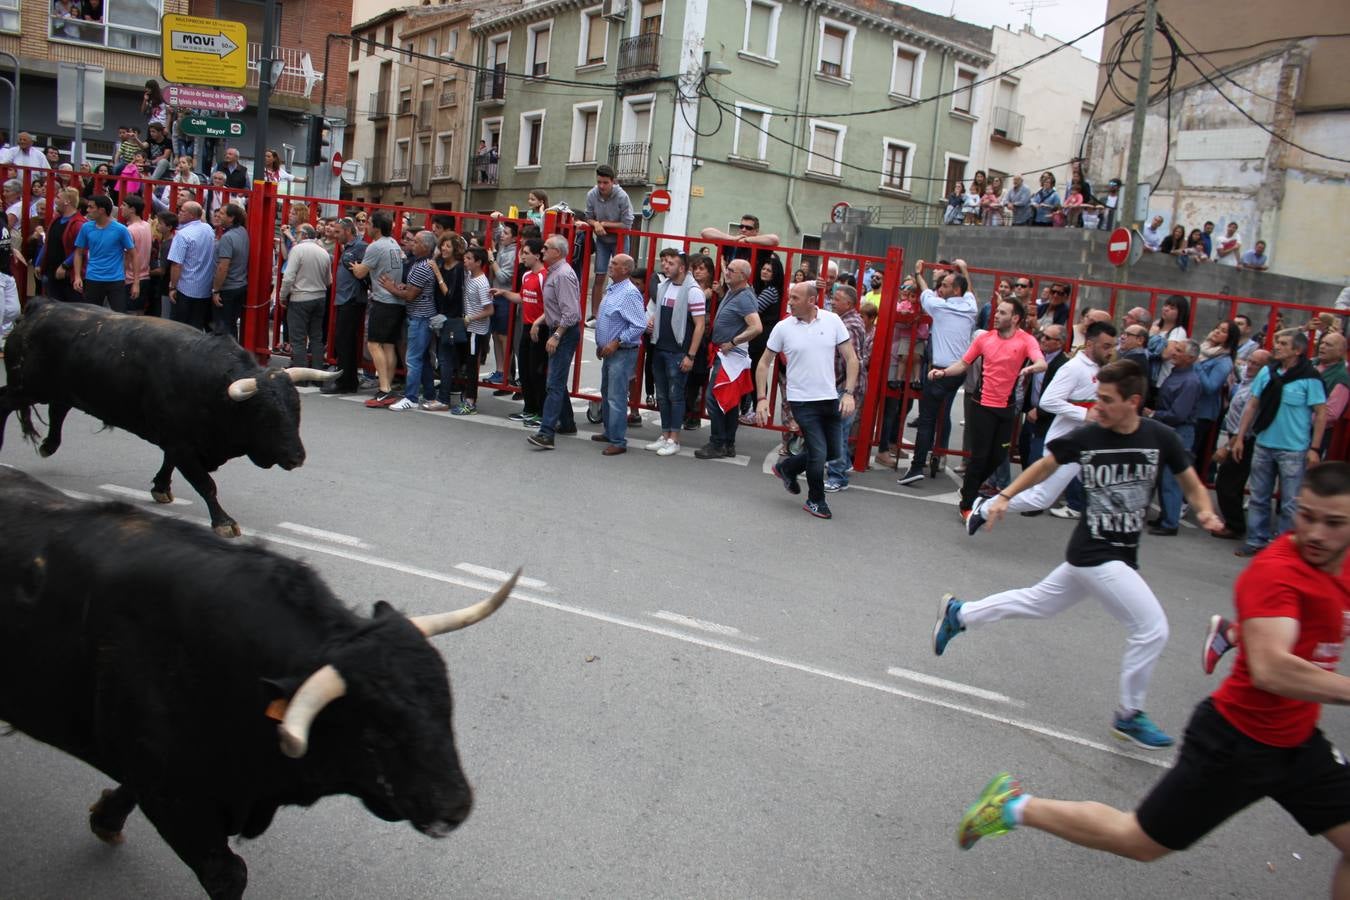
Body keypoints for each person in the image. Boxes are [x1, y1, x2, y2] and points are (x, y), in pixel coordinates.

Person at [956, 463, 1350, 896]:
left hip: (1299, 742)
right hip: (1236, 743)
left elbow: (1187, 474)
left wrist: (1202, 506)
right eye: (1306, 516)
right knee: (1137, 840)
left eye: (1333, 523)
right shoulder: (1278, 572)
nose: (1315, 533)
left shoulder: (1342, 567)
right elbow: (1272, 669)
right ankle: (1013, 807)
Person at [945, 360, 1224, 748]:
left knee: (1036, 603)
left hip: (1118, 553)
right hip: (1096, 551)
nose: (1098, 406)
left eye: (1107, 400)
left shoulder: (1161, 437)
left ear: (1134, 402)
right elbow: (1044, 467)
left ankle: (962, 613)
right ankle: (1129, 715)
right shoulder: (1089, 436)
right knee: (1152, 629)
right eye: (1097, 397)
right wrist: (1005, 497)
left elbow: (1190, 483)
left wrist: (1205, 510)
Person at [755, 280, 860, 520]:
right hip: (801, 401)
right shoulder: (783, 327)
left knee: (832, 451)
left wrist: (849, 393)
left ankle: (787, 468)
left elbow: (852, 359)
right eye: (789, 297)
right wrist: (762, 399)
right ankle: (816, 500)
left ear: (812, 301)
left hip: (829, 397)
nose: (789, 302)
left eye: (795, 298)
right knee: (819, 452)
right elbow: (763, 363)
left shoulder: (832, 321)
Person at [936, 297, 1045, 517]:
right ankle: (966, 505)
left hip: (1007, 407)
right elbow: (963, 363)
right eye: (997, 312)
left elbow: (1041, 361)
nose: (996, 315)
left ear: (1015, 318)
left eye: (1003, 313)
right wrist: (944, 372)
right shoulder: (985, 339)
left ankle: (969, 488)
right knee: (980, 456)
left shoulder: (1026, 340)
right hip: (982, 405)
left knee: (997, 457)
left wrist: (1031, 369)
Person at [1232, 329, 1328, 557]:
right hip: (1264, 442)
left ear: (1297, 350)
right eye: (1277, 342)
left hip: (1294, 449)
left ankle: (1285, 547)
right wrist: (1239, 436)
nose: (1277, 346)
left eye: (1283, 343)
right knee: (1258, 496)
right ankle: (1256, 540)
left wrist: (1314, 448)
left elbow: (1321, 414)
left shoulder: (1310, 378)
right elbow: (1253, 405)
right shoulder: (1268, 372)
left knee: (1290, 502)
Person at [897, 259, 978, 485]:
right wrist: (964, 269)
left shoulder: (938, 306)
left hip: (941, 371)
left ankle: (917, 467)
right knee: (944, 413)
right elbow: (970, 290)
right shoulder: (970, 306)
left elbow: (924, 290)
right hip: (959, 371)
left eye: (946, 284)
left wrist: (918, 273)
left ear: (956, 290)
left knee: (928, 420)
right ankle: (938, 456)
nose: (941, 288)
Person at [697, 258, 761, 460]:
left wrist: (733, 342)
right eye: (728, 269)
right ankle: (727, 443)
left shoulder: (745, 297)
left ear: (743, 276)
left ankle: (718, 443)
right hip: (725, 354)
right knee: (729, 401)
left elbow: (756, 327)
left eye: (731, 270)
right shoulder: (735, 292)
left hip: (730, 356)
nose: (727, 272)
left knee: (715, 398)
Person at [644, 248, 705, 457]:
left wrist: (690, 355)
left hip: (679, 352)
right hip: (660, 347)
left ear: (682, 267)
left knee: (675, 396)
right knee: (662, 395)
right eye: (664, 262)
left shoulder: (693, 291)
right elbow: (656, 314)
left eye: (670, 263)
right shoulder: (663, 287)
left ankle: (674, 439)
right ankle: (665, 434)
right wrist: (652, 323)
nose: (665, 266)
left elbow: (699, 326)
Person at [526, 234, 582, 450]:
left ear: (557, 252)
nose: (542, 251)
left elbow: (571, 313)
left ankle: (546, 433)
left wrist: (557, 336)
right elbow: (555, 307)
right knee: (556, 380)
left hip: (564, 333)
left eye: (546, 248)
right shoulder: (555, 272)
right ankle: (567, 423)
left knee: (554, 384)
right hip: (557, 329)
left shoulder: (563, 275)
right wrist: (541, 323)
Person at [1211, 349, 1272, 541]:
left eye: (1257, 364)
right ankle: (1233, 523)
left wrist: (1229, 446)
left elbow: (1250, 419)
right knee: (1231, 482)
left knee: (1227, 482)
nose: (1251, 366)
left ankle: (1235, 525)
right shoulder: (1246, 381)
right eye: (1250, 362)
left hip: (1243, 439)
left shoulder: (1259, 387)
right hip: (1236, 435)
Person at [378, 232, 443, 411]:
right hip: (422, 316)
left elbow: (411, 295)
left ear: (426, 247)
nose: (412, 244)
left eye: (416, 242)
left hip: (420, 318)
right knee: (421, 358)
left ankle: (411, 397)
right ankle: (429, 394)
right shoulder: (420, 263)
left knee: (413, 359)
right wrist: (404, 286)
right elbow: (415, 289)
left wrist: (392, 288)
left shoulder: (422, 266)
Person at [592, 253, 648, 455]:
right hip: (610, 352)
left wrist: (616, 342)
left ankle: (618, 440)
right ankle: (609, 432)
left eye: (614, 264)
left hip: (622, 352)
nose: (610, 265)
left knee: (616, 396)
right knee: (607, 393)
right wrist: (602, 343)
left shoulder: (630, 293)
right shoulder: (614, 288)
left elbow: (639, 325)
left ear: (625, 269)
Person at [1147, 339, 1202, 536]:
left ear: (1190, 358)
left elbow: (1178, 414)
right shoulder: (1178, 374)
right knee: (1163, 476)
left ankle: (1170, 522)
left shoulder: (1190, 381)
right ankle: (1165, 517)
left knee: (1171, 478)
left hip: (1179, 432)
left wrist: (1154, 414)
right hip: (1169, 429)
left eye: (1179, 351)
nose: (1174, 353)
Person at [351, 212, 404, 407]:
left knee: (374, 344)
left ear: (377, 227)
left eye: (369, 223)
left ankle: (384, 389)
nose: (366, 227)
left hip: (383, 299)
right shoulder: (394, 244)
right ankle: (387, 385)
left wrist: (356, 265)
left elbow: (360, 272)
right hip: (397, 301)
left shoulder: (375, 246)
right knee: (388, 345)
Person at [494, 237, 547, 424]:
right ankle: (529, 409)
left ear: (538, 255)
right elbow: (522, 298)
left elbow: (550, 305)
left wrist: (538, 324)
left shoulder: (544, 276)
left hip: (540, 330)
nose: (521, 257)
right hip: (526, 327)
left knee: (537, 372)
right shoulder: (526, 275)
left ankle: (540, 413)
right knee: (524, 371)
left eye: (525, 253)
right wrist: (504, 293)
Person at [582, 164, 633, 323]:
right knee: (599, 276)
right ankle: (595, 314)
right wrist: (595, 224)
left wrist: (603, 224)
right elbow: (588, 217)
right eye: (599, 182)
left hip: (620, 239)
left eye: (605, 182)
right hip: (603, 240)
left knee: (621, 276)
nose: (602, 186)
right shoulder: (592, 194)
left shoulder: (622, 196)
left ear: (613, 182)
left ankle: (619, 313)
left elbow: (627, 224)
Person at [278, 224, 332, 371]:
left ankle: (301, 376)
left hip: (300, 298)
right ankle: (317, 374)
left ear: (305, 235)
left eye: (298, 232)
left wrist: (282, 296)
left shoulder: (297, 250)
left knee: (298, 339)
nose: (296, 234)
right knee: (316, 338)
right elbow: (329, 281)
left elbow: (288, 277)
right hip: (320, 297)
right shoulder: (324, 252)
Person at [324, 217, 368, 395]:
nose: (335, 235)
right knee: (344, 341)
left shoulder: (360, 248)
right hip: (346, 299)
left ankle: (346, 382)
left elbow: (364, 273)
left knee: (345, 341)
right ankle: (348, 379)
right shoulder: (351, 247)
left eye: (338, 232)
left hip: (352, 300)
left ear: (348, 231)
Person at [72, 194, 136, 312]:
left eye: (91, 207)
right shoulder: (86, 227)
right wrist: (77, 276)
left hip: (115, 279)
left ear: (101, 210)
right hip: (93, 278)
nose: (87, 210)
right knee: (91, 316)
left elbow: (133, 254)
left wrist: (136, 282)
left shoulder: (120, 229)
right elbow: (78, 252)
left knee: (119, 316)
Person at [165, 200, 215, 330]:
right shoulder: (208, 229)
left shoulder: (182, 235)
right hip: (204, 288)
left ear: (192, 215)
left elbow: (176, 264)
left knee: (180, 328)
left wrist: (173, 287)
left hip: (186, 288)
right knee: (196, 327)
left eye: (182, 211)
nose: (179, 213)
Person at [120, 194, 153, 316]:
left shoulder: (129, 230)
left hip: (131, 279)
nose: (121, 208)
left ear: (132, 209)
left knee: (129, 316)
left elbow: (126, 256)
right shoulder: (147, 226)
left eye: (124, 205)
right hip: (145, 277)